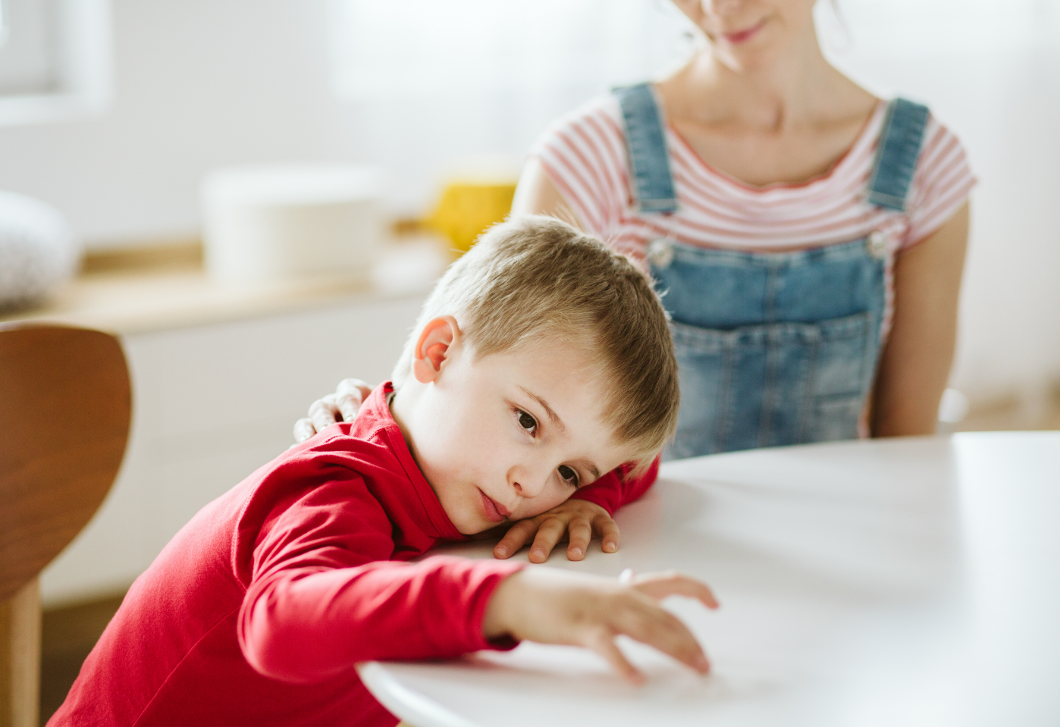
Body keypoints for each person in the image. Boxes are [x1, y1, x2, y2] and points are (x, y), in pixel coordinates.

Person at [300, 0, 974, 564]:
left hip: (840, 551)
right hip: (634, 557)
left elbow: (903, 453)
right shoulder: (592, 154)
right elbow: (459, 383)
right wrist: (361, 417)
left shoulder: (923, 166)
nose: (717, 9)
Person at [49, 217, 717, 727]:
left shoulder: (469, 470)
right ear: (438, 350)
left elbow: (636, 460)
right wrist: (508, 598)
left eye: (568, 470)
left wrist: (587, 489)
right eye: (528, 422)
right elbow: (282, 622)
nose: (532, 486)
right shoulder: (336, 485)